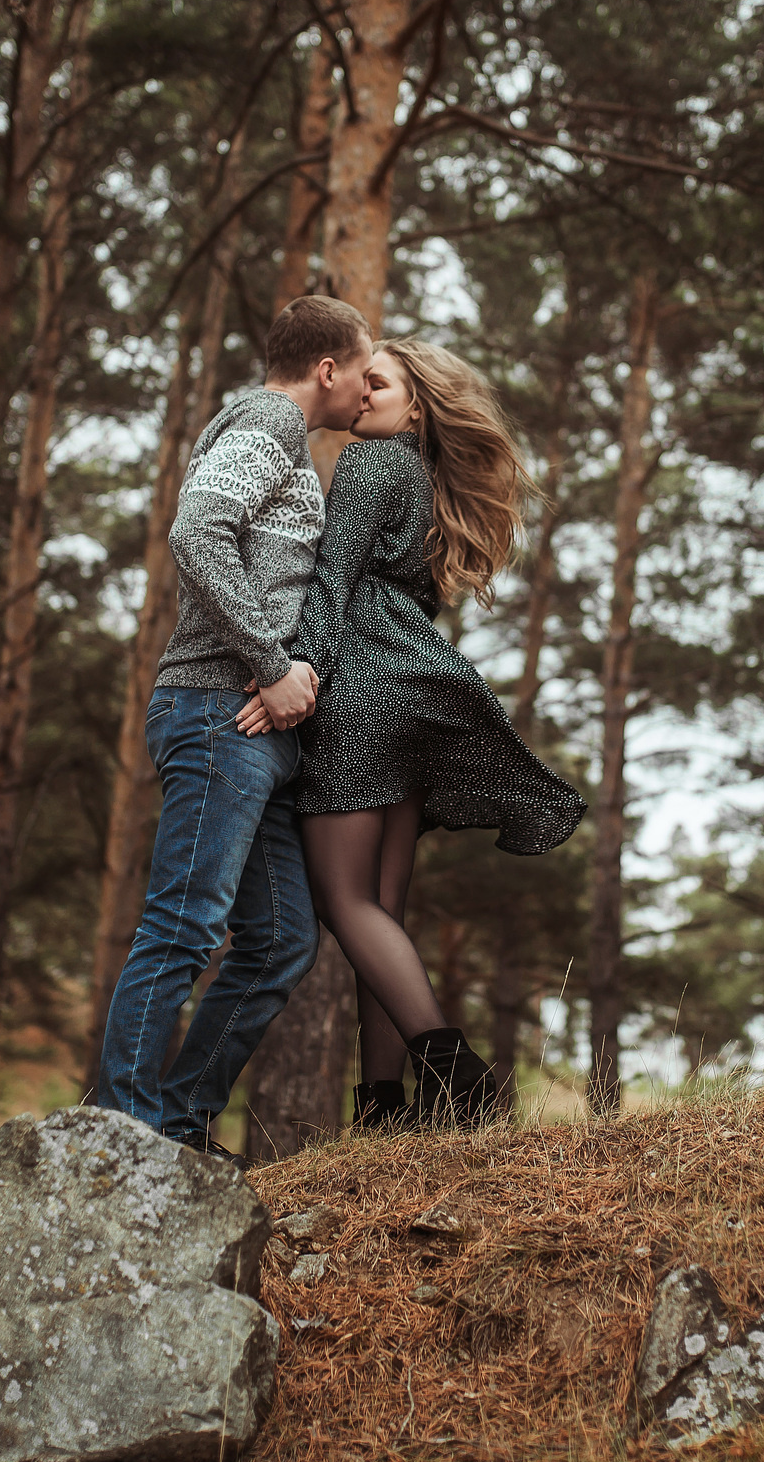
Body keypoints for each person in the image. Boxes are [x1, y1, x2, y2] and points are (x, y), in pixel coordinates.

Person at [239, 338, 585, 1128]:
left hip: (359, 690)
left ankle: (457, 1075)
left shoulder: (370, 466)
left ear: (418, 405)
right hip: (417, 691)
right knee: (381, 910)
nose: (362, 393)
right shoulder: (431, 484)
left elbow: (330, 587)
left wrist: (291, 679)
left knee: (343, 899)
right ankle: (385, 1108)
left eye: (380, 383)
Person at [93, 294, 374, 1157]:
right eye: (365, 373)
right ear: (327, 368)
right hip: (220, 711)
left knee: (283, 937)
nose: (369, 392)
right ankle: (120, 1135)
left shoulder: (279, 440)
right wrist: (272, 659)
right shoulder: (266, 420)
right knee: (183, 923)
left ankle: (177, 1122)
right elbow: (198, 532)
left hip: (256, 733)